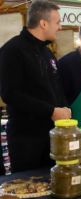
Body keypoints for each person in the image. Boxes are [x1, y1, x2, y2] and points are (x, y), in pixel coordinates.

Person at [0, 0, 70, 173]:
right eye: (57, 22)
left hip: (52, 135)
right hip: (26, 139)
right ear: (43, 23)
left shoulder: (47, 52)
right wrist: (51, 111)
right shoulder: (12, 50)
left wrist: (64, 107)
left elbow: (55, 86)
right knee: (30, 187)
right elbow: (10, 94)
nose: (60, 27)